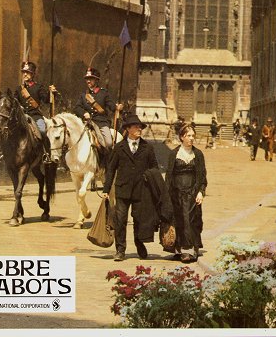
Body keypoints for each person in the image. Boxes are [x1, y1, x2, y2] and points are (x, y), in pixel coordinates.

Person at [102, 114, 159, 261]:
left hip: (141, 190)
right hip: (123, 189)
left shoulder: (148, 147)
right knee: (120, 220)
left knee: (139, 219)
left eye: (140, 127)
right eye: (136, 126)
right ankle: (120, 250)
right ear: (128, 129)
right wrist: (106, 190)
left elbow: (154, 168)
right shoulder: (119, 147)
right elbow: (111, 169)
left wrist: (149, 177)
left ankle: (139, 244)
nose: (139, 129)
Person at [166, 124, 207, 263]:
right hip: (176, 194)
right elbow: (169, 176)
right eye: (188, 136)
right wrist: (167, 196)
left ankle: (189, 250)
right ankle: (178, 249)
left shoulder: (198, 154)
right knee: (179, 220)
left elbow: (202, 175)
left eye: (193, 136)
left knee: (191, 220)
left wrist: (201, 192)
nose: (191, 138)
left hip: (192, 193)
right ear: (182, 137)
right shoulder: (173, 154)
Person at [14, 61, 57, 163]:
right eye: (23, 72)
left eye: (27, 72)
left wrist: (52, 93)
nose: (25, 74)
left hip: (35, 116)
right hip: (23, 117)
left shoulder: (38, 87)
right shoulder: (19, 89)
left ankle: (46, 155)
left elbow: (46, 100)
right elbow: (15, 102)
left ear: (33, 74)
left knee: (42, 132)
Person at [73, 67, 123, 150]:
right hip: (86, 123)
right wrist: (84, 113)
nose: (88, 81)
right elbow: (77, 108)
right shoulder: (83, 95)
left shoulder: (104, 93)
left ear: (96, 80)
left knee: (109, 143)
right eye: (87, 79)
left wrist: (118, 108)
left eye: (91, 79)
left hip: (101, 123)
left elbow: (112, 106)